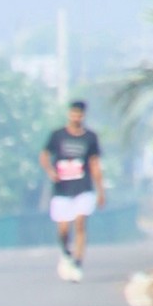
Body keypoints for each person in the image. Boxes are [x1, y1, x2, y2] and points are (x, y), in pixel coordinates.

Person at [41, 99, 105, 279]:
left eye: (79, 114)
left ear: (83, 116)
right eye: (74, 114)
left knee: (80, 223)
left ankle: (78, 262)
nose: (76, 117)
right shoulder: (57, 135)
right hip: (62, 188)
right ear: (69, 114)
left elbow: (94, 163)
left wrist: (101, 191)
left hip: (83, 187)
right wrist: (50, 171)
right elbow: (44, 155)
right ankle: (66, 252)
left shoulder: (90, 138)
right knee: (63, 229)